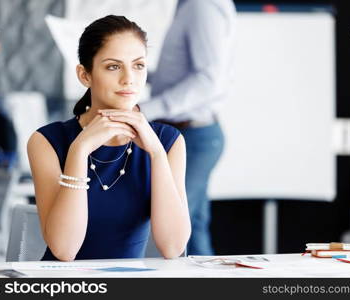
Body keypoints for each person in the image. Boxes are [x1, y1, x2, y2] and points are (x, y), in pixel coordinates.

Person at [27, 15, 191, 261]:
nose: (129, 79)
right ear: (85, 75)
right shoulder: (47, 141)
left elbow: (173, 247)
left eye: (138, 65)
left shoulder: (168, 142)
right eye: (113, 66)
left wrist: (156, 154)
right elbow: (64, 250)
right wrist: (79, 150)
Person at [139, 0, 236, 255]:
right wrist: (136, 71)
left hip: (192, 135)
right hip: (192, 133)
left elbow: (207, 80)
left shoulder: (201, 6)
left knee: (172, 229)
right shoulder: (192, 5)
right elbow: (186, 72)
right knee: (194, 228)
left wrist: (144, 111)